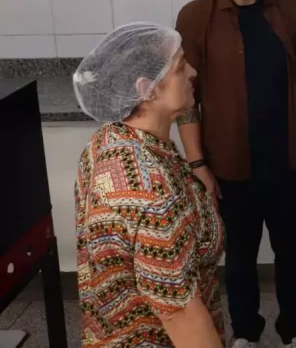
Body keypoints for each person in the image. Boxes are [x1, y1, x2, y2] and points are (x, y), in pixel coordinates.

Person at [174, 0, 296, 348]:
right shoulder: (195, 17)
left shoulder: (291, 9)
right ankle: (246, 333)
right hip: (228, 170)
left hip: (288, 164)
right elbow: (186, 101)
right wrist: (197, 165)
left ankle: (293, 331)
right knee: (239, 259)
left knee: (292, 256)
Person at [73, 22, 224, 348]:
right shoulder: (149, 189)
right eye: (181, 67)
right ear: (147, 89)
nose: (194, 72)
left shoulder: (108, 140)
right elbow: (179, 313)